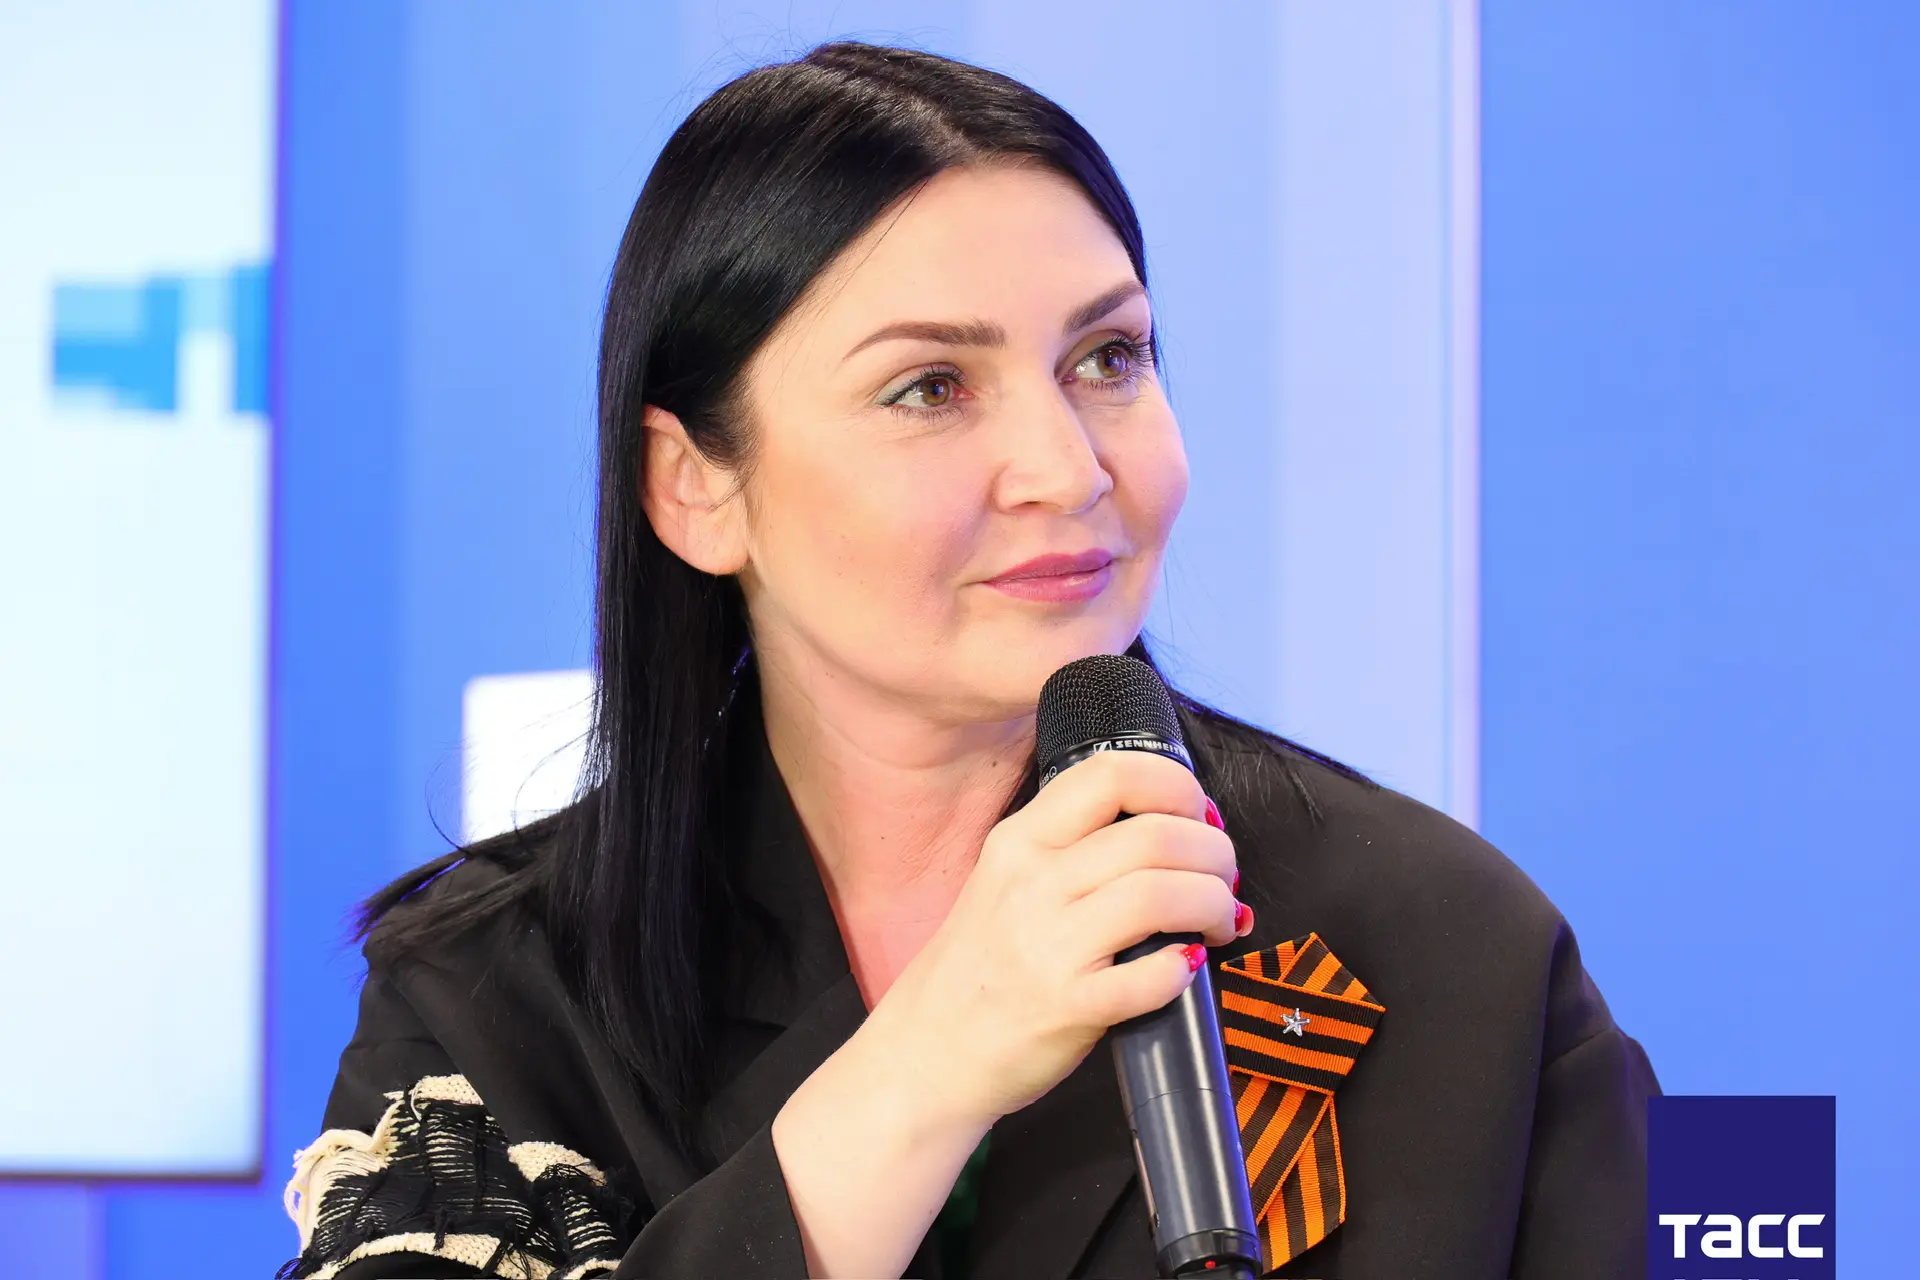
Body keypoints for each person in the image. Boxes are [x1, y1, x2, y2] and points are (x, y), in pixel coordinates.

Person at [281, 42, 1657, 1280]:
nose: (1068, 468)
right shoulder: (495, 996)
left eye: (1109, 358)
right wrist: (923, 1073)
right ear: (696, 485)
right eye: (931, 387)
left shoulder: (1453, 942)